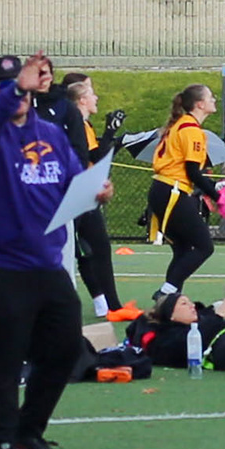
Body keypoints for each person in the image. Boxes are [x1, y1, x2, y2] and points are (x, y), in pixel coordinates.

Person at [0, 52, 107, 449]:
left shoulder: (51, 133)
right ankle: (1, 443)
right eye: (6, 88)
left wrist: (95, 191)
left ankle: (29, 432)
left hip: (46, 261)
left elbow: (71, 181)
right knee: (1, 357)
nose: (18, 95)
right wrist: (19, 87)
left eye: (21, 86)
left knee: (65, 347)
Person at [54, 73, 138, 322]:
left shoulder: (81, 124)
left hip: (84, 191)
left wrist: (114, 140)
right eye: (91, 92)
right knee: (82, 249)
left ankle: (107, 304)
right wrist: (111, 134)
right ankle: (103, 304)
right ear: (81, 99)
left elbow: (94, 155)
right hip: (78, 191)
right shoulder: (77, 124)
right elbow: (95, 157)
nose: (96, 96)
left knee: (91, 249)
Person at [147, 84, 219, 297]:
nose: (214, 100)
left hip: (164, 188)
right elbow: (193, 172)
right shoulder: (191, 129)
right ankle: (166, 292)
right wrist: (217, 195)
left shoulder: (182, 125)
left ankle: (171, 300)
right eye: (210, 97)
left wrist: (213, 188)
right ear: (200, 104)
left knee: (183, 248)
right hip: (172, 190)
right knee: (204, 246)